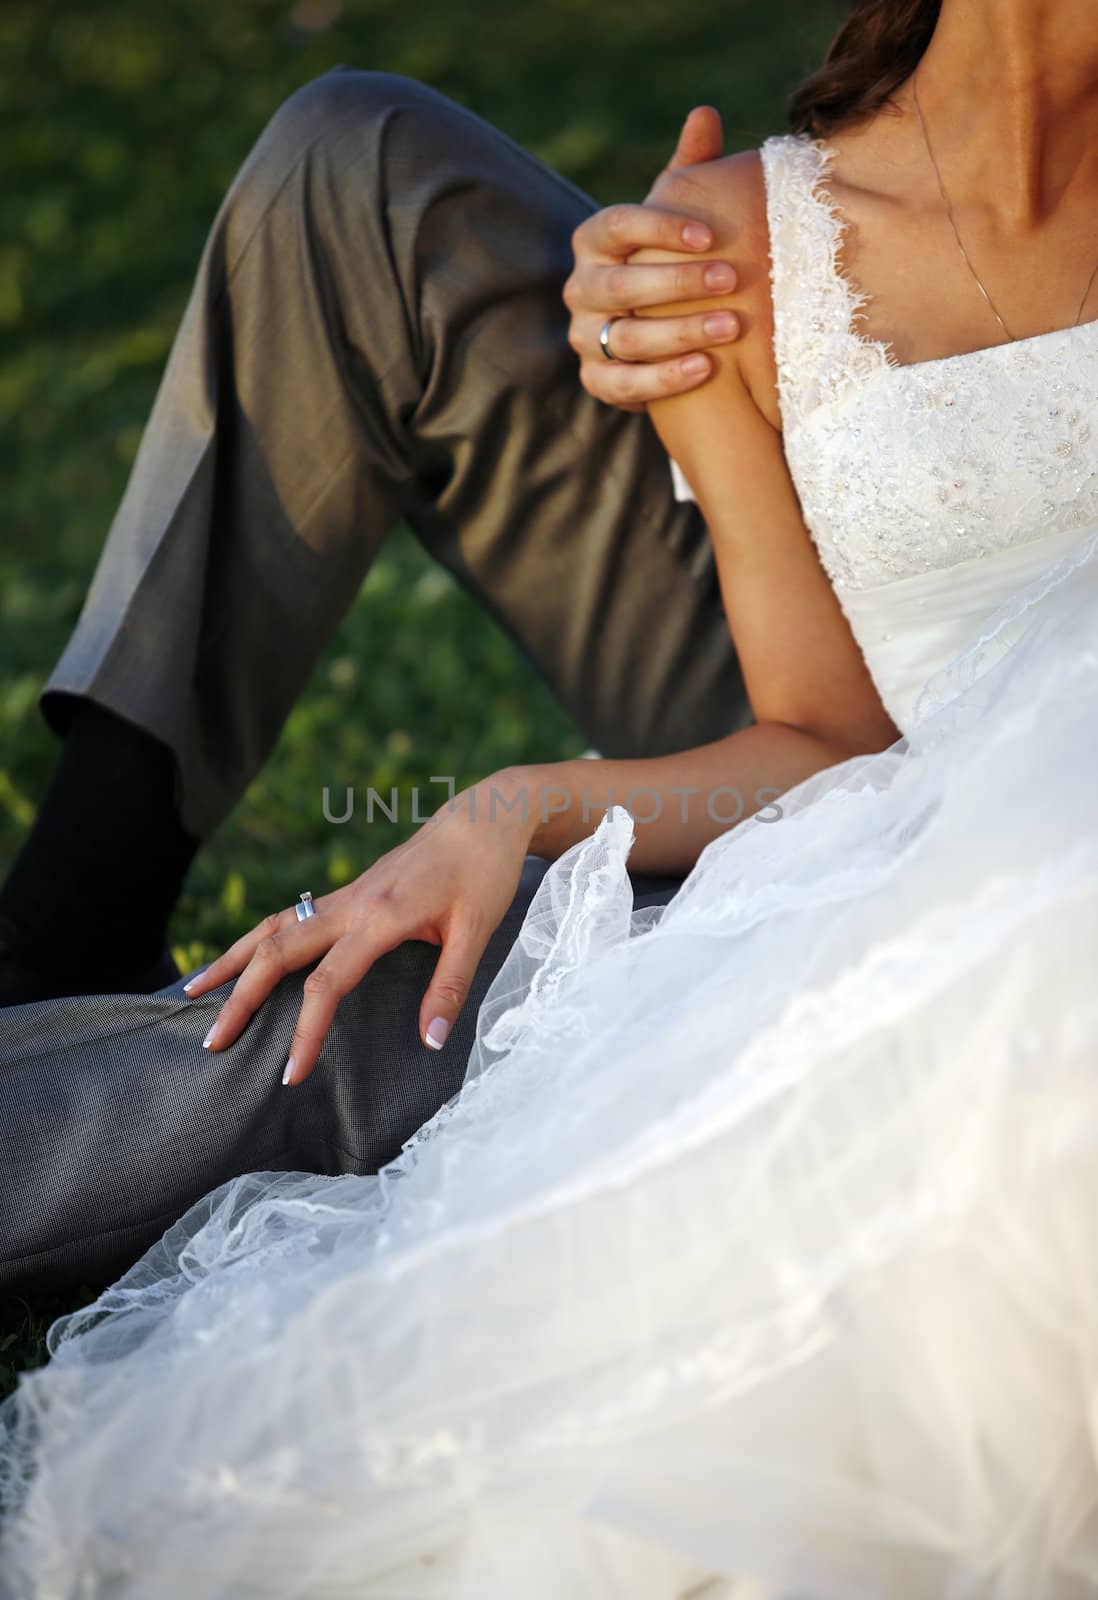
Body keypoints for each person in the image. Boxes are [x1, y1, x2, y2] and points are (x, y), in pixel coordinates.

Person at [5, 0, 1098, 1593]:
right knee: (379, 977)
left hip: (984, 923)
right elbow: (825, 739)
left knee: (379, 1038)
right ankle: (61, 929)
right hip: (829, 799)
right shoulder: (737, 244)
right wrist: (511, 804)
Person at [0, 73, 746, 1292]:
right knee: (354, 160)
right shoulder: (896, 92)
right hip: (801, 633)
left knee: (386, 995)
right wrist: (711, 330)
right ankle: (65, 925)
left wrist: (520, 807)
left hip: (975, 815)